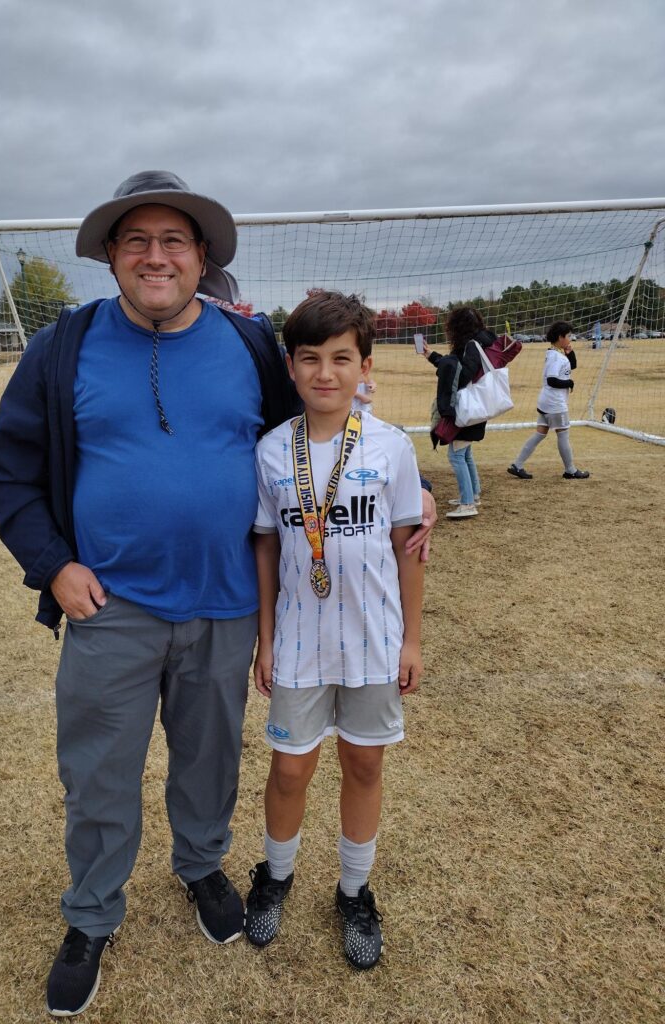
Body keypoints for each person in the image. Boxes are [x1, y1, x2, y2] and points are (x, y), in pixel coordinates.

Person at [0, 171, 438, 1017]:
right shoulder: (65, 346)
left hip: (227, 605)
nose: (156, 256)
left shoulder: (249, 343)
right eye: (137, 241)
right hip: (109, 608)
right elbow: (11, 472)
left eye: (174, 242)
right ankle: (90, 914)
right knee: (99, 773)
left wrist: (407, 493)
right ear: (111, 257)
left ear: (201, 259)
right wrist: (53, 564)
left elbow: (309, 435)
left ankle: (200, 868)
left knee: (209, 763)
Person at [244, 291, 425, 970]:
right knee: (290, 771)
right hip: (296, 642)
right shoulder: (270, 452)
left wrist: (411, 640)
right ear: (290, 368)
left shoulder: (391, 446)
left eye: (341, 358)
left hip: (376, 642)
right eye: (311, 358)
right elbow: (265, 548)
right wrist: (265, 637)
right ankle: (276, 876)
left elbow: (408, 543)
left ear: (364, 365)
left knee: (365, 762)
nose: (326, 373)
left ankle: (354, 892)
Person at [423, 307, 496, 519]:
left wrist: (446, 362)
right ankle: (473, 494)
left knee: (456, 455)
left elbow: (461, 375)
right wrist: (431, 356)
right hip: (475, 408)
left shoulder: (472, 347)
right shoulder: (480, 343)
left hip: (466, 408)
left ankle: (467, 503)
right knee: (465, 453)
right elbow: (456, 367)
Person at [508, 321, 590, 480]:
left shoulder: (556, 354)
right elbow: (552, 380)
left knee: (540, 433)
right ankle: (570, 470)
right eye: (568, 336)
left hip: (546, 402)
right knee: (563, 434)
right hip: (555, 403)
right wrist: (569, 383)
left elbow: (571, 366)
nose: (571, 338)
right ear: (560, 337)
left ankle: (517, 465)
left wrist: (569, 352)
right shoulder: (556, 357)